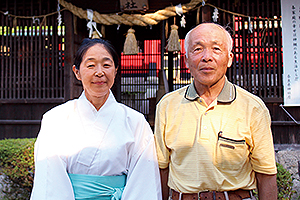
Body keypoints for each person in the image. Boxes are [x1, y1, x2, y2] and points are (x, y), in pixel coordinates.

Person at [154, 23, 277, 200]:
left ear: (230, 58)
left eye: (216, 49)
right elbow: (161, 168)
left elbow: (266, 174)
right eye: (198, 49)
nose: (207, 57)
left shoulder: (253, 108)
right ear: (187, 60)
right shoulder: (167, 105)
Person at [30, 38, 162, 200]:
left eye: (106, 65)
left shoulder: (135, 121)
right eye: (91, 65)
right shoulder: (55, 119)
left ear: (115, 70)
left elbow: (143, 181)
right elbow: (49, 180)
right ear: (77, 72)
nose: (99, 72)